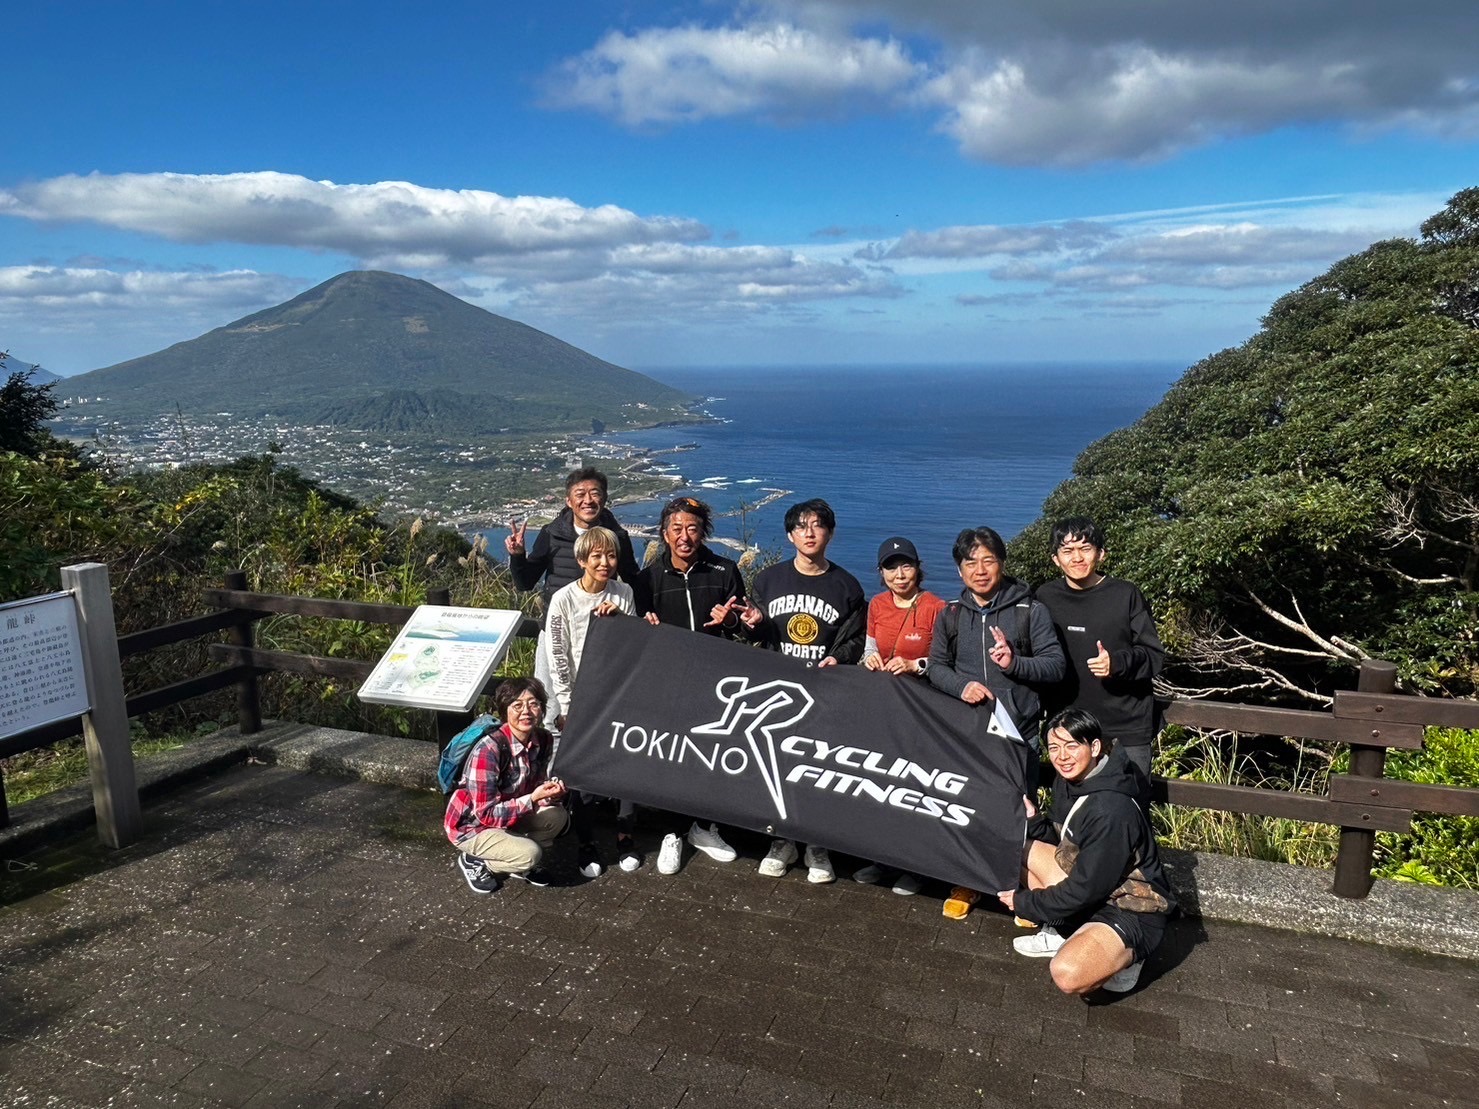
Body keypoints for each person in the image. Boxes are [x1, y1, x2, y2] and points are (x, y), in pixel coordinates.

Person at [927, 525, 1066, 919]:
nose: (980, 569)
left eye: (989, 560)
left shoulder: (1030, 610)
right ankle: (967, 882)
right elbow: (937, 667)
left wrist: (1014, 663)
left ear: (1002, 564)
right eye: (971, 562)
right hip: (969, 733)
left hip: (1018, 732)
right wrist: (961, 685)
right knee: (966, 807)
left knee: (1019, 810)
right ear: (959, 570)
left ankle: (1022, 889)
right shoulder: (951, 615)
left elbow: (1055, 665)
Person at [997, 708, 1175, 995]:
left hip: (1130, 906)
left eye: (1071, 745)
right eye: (1054, 747)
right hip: (1094, 887)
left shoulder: (1111, 809)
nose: (1061, 756)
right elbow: (1063, 845)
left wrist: (1026, 903)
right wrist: (1034, 821)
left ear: (1094, 747)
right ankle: (1066, 929)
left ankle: (1130, 957)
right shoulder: (1071, 780)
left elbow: (1085, 889)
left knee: (1067, 974)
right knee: (1015, 849)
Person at [738, 498, 865, 883]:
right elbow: (756, 632)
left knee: (815, 768)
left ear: (830, 532)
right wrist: (753, 623)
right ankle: (781, 842)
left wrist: (837, 659)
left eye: (817, 525)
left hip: (824, 691)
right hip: (778, 689)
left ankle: (816, 845)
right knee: (776, 765)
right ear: (790, 535)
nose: (809, 532)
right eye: (801, 526)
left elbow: (854, 640)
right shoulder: (768, 580)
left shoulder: (847, 586)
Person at [638, 496, 748, 875]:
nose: (685, 536)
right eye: (677, 529)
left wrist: (731, 622)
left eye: (693, 528)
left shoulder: (724, 570)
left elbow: (745, 629)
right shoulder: (648, 578)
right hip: (667, 681)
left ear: (703, 532)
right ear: (665, 533)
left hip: (716, 682)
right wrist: (644, 628)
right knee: (672, 756)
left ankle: (704, 827)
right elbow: (636, 632)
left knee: (711, 756)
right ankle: (672, 831)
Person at [505, 466, 643, 725]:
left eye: (595, 493)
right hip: (555, 631)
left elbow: (633, 581)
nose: (588, 500)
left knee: (600, 708)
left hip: (601, 635)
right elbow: (525, 582)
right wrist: (518, 556)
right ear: (568, 501)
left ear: (604, 498)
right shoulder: (552, 533)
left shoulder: (617, 537)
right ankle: (549, 762)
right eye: (580, 494)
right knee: (549, 707)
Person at [1035, 517, 1165, 777]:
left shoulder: (1126, 594)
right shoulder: (1045, 597)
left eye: (1085, 549)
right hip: (1069, 729)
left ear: (1101, 554)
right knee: (1072, 813)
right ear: (1055, 559)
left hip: (1126, 729)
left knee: (1129, 808)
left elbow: (1154, 656)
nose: (1077, 558)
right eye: (1068, 551)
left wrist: (1116, 663)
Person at [854, 536, 946, 896]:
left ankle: (916, 866)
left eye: (906, 565)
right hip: (883, 708)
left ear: (918, 568)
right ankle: (883, 857)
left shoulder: (936, 607)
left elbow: (943, 661)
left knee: (915, 788)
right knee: (882, 783)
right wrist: (869, 660)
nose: (899, 574)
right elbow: (869, 649)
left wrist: (915, 664)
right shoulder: (876, 605)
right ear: (881, 572)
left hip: (921, 709)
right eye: (891, 567)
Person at [544, 526, 638, 877]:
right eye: (596, 556)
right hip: (582, 699)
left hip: (618, 696)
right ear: (581, 559)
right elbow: (558, 654)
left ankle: (626, 836)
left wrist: (622, 619)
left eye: (610, 555)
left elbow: (632, 646)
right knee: (583, 774)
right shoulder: (564, 599)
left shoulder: (623, 592)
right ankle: (585, 843)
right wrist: (568, 705)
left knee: (625, 767)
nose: (604, 562)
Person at [444, 677, 569, 893]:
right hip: (473, 826)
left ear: (542, 708)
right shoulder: (489, 750)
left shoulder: (544, 739)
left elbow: (536, 785)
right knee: (530, 854)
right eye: (517, 705)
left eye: (534, 704)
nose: (526, 712)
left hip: (509, 815)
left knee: (559, 818)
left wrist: (550, 794)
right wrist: (532, 799)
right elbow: (486, 814)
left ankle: (515, 856)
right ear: (505, 710)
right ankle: (477, 861)